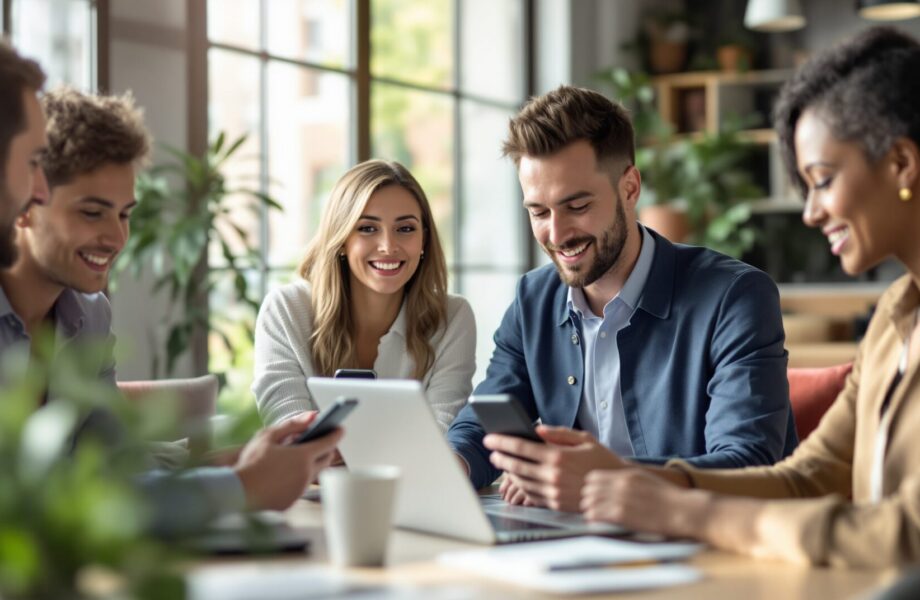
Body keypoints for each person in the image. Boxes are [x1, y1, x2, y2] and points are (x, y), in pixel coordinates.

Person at [580, 26, 920, 568]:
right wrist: (648, 481)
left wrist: (695, 514)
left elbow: (908, 536)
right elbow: (808, 477)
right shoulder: (893, 319)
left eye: (823, 179)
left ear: (902, 163)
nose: (810, 213)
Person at [0, 69, 341, 534]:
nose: (117, 237)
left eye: (124, 214)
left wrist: (236, 463)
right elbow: (43, 508)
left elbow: (113, 475)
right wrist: (241, 486)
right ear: (27, 198)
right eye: (92, 212)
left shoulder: (90, 315)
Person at [447, 85, 797, 511]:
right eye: (539, 212)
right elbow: (484, 423)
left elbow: (748, 465)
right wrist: (451, 464)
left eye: (576, 206)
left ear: (630, 188)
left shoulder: (735, 297)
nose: (556, 235)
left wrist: (592, 479)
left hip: (709, 545)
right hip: (577, 547)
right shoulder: (532, 299)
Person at [253, 159, 476, 432]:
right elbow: (288, 434)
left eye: (405, 229)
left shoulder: (452, 317)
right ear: (342, 239)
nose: (387, 246)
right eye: (367, 228)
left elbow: (441, 435)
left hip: (413, 477)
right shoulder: (286, 310)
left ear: (424, 241)